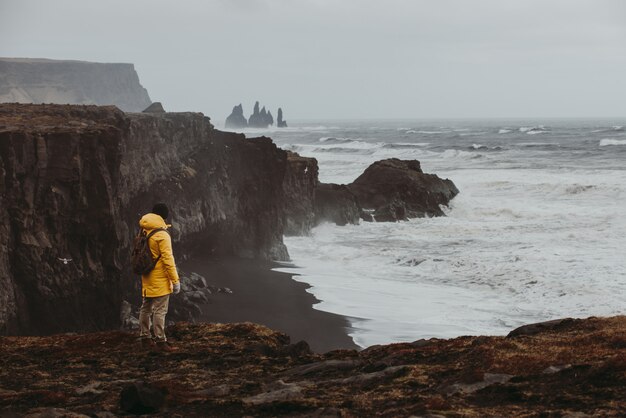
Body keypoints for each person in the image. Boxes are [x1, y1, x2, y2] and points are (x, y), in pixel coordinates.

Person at [137, 203, 181, 352]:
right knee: (160, 311)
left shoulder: (143, 229)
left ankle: (145, 338)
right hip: (160, 278)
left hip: (146, 274)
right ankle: (161, 342)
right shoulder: (162, 234)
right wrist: (175, 281)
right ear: (164, 216)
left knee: (146, 308)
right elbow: (168, 260)